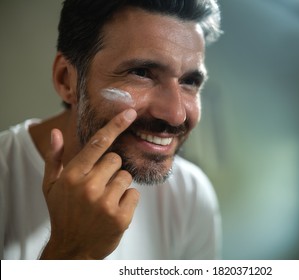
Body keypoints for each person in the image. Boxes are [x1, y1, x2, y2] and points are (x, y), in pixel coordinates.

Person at [0, 0, 222, 260]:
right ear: (66, 80)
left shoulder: (191, 195)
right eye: (142, 72)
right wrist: (71, 254)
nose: (176, 115)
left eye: (190, 81)